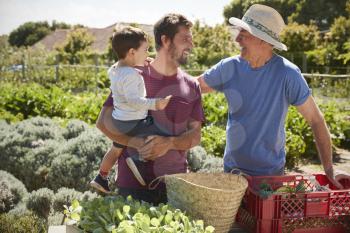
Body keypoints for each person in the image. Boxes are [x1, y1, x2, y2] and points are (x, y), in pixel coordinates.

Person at [197, 4, 350, 188]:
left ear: (263, 40)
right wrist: (158, 72)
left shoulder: (287, 73)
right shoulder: (229, 67)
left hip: (270, 179)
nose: (237, 39)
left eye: (243, 35)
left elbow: (316, 119)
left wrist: (329, 168)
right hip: (233, 175)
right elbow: (195, 86)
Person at [96, 13, 205, 204]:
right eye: (185, 38)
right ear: (165, 40)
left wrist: (169, 143)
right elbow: (103, 123)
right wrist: (136, 143)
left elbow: (195, 136)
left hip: (175, 186)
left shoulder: (191, 85)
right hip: (132, 187)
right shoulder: (132, 75)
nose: (191, 45)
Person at [90, 26, 172, 194]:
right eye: (146, 49)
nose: (148, 53)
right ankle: (137, 161)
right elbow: (134, 100)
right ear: (132, 52)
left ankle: (101, 177)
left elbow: (125, 70)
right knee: (158, 132)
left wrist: (141, 64)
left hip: (119, 120)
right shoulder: (132, 76)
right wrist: (156, 104)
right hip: (133, 121)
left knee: (115, 150)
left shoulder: (115, 70)